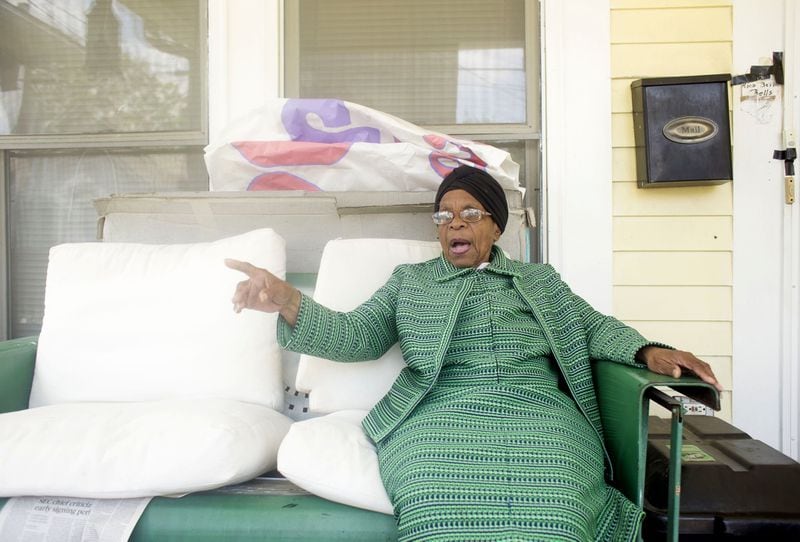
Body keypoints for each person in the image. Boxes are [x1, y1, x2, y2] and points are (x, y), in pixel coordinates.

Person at [226, 165, 722, 542]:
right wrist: (288, 300)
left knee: (562, 503)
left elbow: (591, 328)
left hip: (538, 411)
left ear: (496, 227)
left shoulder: (538, 281)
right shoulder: (411, 282)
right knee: (434, 503)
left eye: (469, 214)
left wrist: (649, 349)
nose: (453, 225)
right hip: (438, 410)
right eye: (444, 216)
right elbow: (355, 335)